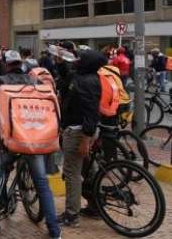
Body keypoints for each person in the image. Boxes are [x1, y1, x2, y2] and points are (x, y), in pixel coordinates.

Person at [0, 50, 61, 238]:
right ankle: (54, 230)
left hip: (10, 139)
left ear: (6, 64)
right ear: (21, 63)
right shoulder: (35, 81)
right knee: (42, 184)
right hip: (33, 139)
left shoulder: (1, 82)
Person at [59, 49, 105, 227]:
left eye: (80, 58)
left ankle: (71, 214)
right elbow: (67, 76)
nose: (76, 60)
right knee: (89, 170)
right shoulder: (84, 77)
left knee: (72, 173)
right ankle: (96, 206)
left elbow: (91, 112)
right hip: (80, 131)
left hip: (78, 132)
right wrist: (60, 60)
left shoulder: (86, 82)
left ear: (86, 63)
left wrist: (86, 139)